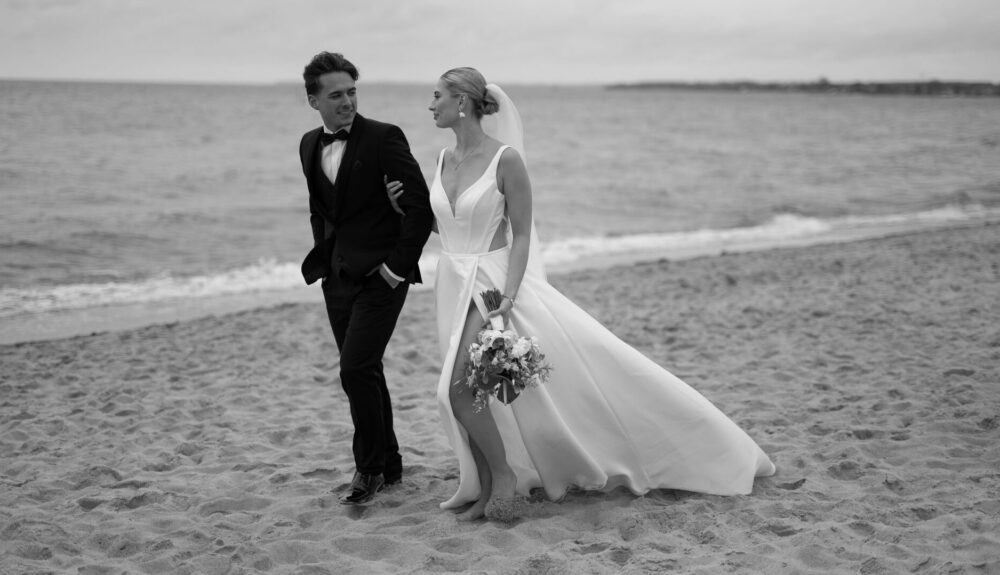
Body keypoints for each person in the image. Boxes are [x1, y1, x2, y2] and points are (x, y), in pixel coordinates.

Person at [389, 67, 775, 521]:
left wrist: (508, 300)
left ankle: (506, 476)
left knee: (454, 390)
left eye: (437, 96)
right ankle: (486, 486)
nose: (429, 105)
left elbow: (524, 236)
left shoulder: (506, 160)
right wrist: (403, 211)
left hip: (490, 286)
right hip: (450, 283)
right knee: (476, 392)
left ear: (463, 103)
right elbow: (451, 227)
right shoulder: (440, 159)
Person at [299, 52, 434, 505]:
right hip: (336, 278)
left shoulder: (383, 138)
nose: (347, 102)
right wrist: (325, 262)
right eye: (336, 95)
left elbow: (419, 209)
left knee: (354, 368)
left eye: (352, 92)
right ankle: (390, 463)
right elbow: (321, 209)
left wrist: (395, 268)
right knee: (366, 370)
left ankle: (368, 469)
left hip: (382, 277)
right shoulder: (307, 145)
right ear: (313, 100)